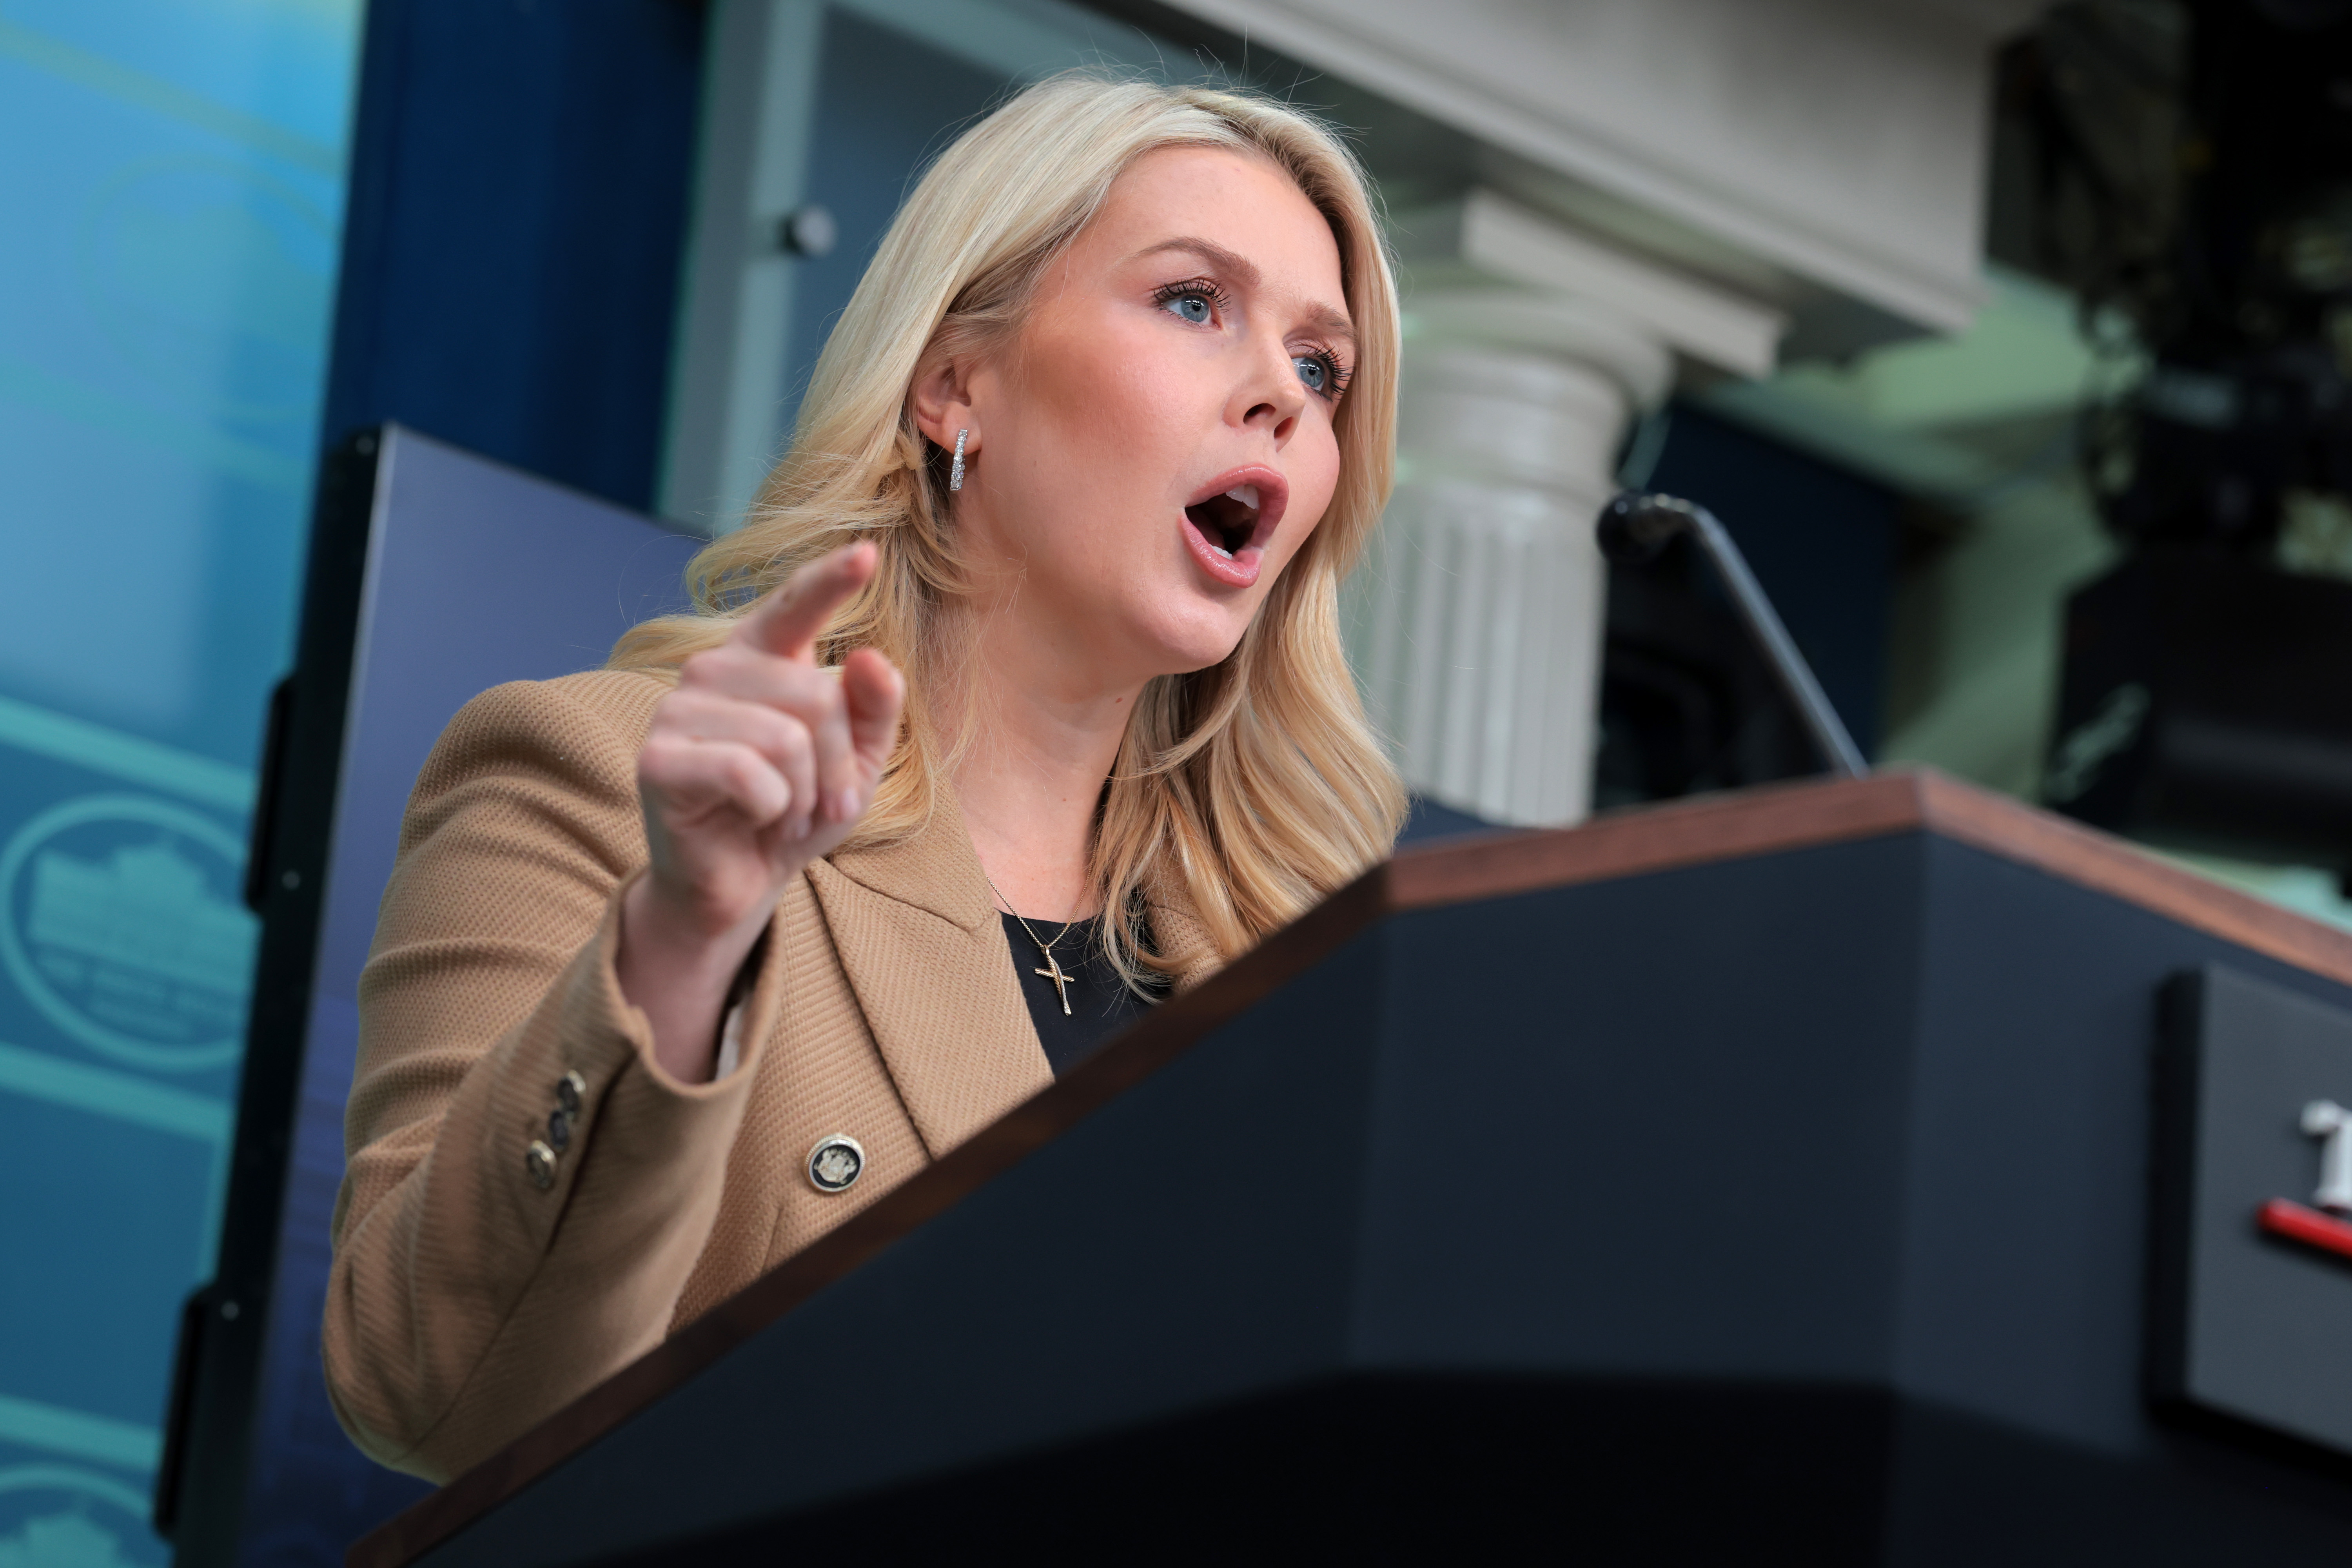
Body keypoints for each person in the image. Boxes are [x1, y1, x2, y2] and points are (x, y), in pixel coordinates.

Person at [323, 70, 1406, 1483]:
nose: (1280, 394)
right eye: (1195, 303)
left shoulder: (1302, 962)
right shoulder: (598, 772)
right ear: (956, 383)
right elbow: (429, 1388)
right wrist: (681, 941)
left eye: (1322, 369)